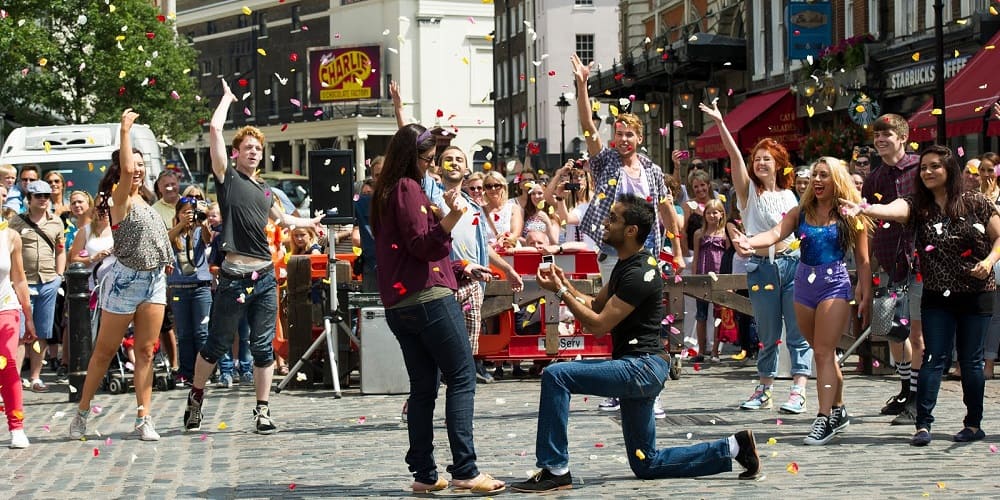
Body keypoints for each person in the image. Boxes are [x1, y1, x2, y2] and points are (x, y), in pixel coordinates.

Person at [511, 194, 761, 492]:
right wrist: (562, 284)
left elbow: (599, 325)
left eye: (614, 218)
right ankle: (734, 448)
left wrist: (561, 294)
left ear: (631, 230)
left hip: (641, 367)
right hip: (638, 367)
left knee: (556, 375)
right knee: (647, 463)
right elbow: (594, 303)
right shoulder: (625, 265)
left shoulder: (641, 272)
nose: (606, 223)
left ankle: (555, 468)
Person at [371, 124, 505, 495]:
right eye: (427, 160)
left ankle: (425, 474)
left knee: (424, 387)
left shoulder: (385, 192)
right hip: (429, 300)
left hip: (401, 304)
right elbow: (422, 246)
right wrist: (451, 218)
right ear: (409, 158)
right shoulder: (407, 188)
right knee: (461, 377)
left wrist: (461, 268)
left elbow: (405, 252)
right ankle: (465, 468)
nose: (431, 166)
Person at [183, 80, 320, 435]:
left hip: (265, 278)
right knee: (215, 346)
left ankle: (262, 410)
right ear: (236, 152)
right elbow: (214, 128)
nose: (254, 153)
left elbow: (284, 220)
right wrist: (227, 98)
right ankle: (196, 396)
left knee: (262, 347)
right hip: (233, 277)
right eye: (248, 148)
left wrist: (313, 221)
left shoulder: (266, 190)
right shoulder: (227, 179)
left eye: (258, 149)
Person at [841, 145, 999, 446]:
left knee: (971, 361)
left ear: (949, 169)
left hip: (977, 293)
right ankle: (923, 423)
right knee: (933, 356)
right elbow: (893, 209)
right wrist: (866, 208)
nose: (927, 172)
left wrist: (989, 261)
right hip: (937, 294)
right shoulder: (918, 205)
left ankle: (973, 424)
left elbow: (999, 235)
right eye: (924, 167)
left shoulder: (975, 201)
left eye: (935, 166)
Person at [736, 157, 872, 445]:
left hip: (834, 284)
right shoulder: (801, 212)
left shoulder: (850, 214)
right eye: (815, 176)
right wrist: (750, 242)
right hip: (803, 285)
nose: (818, 181)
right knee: (824, 353)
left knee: (822, 353)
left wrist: (865, 291)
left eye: (824, 176)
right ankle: (839, 409)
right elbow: (776, 233)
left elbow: (863, 259)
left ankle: (823, 419)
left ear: (837, 180)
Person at [701, 100, 814, 414]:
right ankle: (764, 388)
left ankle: (799, 389)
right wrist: (722, 124)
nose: (761, 164)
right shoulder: (748, 192)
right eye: (757, 159)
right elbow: (735, 158)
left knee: (796, 329)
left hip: (793, 265)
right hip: (762, 268)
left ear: (778, 163)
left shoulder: (790, 195)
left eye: (767, 159)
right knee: (766, 331)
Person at [69, 109, 173, 441]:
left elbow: (155, 240)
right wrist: (125, 131)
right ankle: (82, 413)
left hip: (154, 281)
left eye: (144, 165)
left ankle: (144, 418)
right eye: (134, 165)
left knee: (146, 351)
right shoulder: (119, 198)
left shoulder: (146, 201)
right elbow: (127, 168)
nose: (139, 169)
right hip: (125, 281)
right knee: (103, 350)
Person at [570, 53, 682, 283]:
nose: (623, 139)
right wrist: (582, 85)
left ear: (639, 138)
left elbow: (666, 209)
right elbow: (588, 125)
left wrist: (678, 252)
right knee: (615, 307)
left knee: (643, 307)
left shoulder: (652, 169)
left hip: (647, 246)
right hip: (614, 247)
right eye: (619, 134)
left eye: (629, 135)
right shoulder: (606, 161)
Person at [433, 146, 523, 384]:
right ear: (438, 166)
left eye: (458, 159)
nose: (453, 163)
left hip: (473, 284)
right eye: (448, 159)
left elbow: (484, 245)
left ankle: (460, 403)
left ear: (466, 168)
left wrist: (507, 269)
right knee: (437, 350)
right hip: (443, 282)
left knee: (466, 352)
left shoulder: (473, 207)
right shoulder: (431, 195)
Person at [862, 113, 923, 425]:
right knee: (891, 329)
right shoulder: (874, 178)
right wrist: (867, 266)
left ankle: (917, 397)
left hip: (920, 263)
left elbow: (907, 210)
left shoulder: (920, 168)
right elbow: (869, 226)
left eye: (887, 134)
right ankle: (904, 390)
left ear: (902, 138)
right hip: (888, 264)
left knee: (916, 330)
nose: (881, 139)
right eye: (877, 135)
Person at [9, 180, 66, 394]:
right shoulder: (16, 222)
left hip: (48, 282)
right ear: (29, 199)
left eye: (46, 195)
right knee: (21, 333)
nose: (43, 199)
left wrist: (59, 276)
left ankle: (35, 377)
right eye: (38, 196)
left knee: (42, 332)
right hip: (24, 283)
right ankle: (13, 378)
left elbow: (60, 250)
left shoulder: (56, 222)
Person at [166, 197, 214, 387]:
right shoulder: (175, 232)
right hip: (179, 287)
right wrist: (182, 224)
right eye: (184, 211)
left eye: (190, 211)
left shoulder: (199, 230)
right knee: (184, 333)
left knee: (201, 332)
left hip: (200, 287)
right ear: (177, 213)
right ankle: (185, 372)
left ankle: (204, 372)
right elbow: (167, 239)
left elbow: (208, 240)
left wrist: (202, 223)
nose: (188, 215)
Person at [0, 211, 37, 448]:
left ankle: (17, 427)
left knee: (6, 360)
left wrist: (28, 316)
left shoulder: (10, 236)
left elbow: (20, 279)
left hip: (5, 307)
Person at [692, 199, 729, 362]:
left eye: (715, 212)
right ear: (704, 215)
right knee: (701, 314)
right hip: (702, 276)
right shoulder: (699, 234)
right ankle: (701, 350)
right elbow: (696, 257)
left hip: (719, 276)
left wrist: (728, 280)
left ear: (721, 214)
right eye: (709, 213)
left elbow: (728, 258)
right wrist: (693, 277)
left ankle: (715, 350)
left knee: (718, 314)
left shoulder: (725, 234)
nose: (712, 216)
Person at [481, 170, 522, 250]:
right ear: (484, 189)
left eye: (497, 185)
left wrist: (504, 239)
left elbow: (515, 233)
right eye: (488, 186)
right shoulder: (479, 211)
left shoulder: (513, 208)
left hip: (510, 252)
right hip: (489, 255)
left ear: (503, 187)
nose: (493, 189)